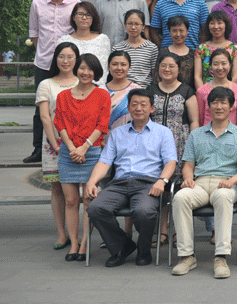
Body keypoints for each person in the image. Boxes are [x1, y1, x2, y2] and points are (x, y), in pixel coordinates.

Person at [85, 88, 177, 267]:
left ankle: (144, 250)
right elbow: (105, 161)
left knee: (144, 212)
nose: (138, 108)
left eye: (143, 104)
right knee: (95, 208)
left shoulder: (163, 132)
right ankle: (122, 246)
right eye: (134, 104)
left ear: (152, 108)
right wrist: (92, 182)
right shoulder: (117, 133)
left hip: (148, 183)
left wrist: (162, 181)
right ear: (128, 108)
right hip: (119, 184)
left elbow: (170, 162)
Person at [171, 87, 237, 279]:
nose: (218, 106)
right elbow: (188, 165)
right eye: (214, 102)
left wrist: (231, 181)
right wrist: (188, 177)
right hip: (199, 183)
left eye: (223, 102)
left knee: (223, 197)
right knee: (180, 198)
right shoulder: (196, 134)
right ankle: (186, 256)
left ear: (232, 107)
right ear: (208, 106)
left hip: (225, 182)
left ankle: (220, 258)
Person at [53, 53, 111, 261]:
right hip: (68, 153)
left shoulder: (102, 95)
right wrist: (72, 148)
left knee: (88, 200)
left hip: (91, 152)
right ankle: (74, 243)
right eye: (82, 68)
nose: (86, 72)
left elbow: (102, 125)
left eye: (90, 69)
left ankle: (85, 243)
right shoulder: (63, 96)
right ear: (76, 69)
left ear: (96, 72)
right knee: (70, 200)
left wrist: (84, 148)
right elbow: (59, 123)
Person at [26, 0, 77, 163]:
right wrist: (44, 53)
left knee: (70, 105)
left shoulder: (75, 5)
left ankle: (70, 144)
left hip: (68, 64)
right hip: (44, 62)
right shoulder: (37, 3)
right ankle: (38, 149)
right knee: (41, 107)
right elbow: (34, 33)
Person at [150, 52, 199, 247]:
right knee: (160, 185)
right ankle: (162, 230)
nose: (167, 69)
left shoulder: (187, 91)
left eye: (172, 66)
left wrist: (192, 146)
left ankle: (180, 231)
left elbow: (194, 120)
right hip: (155, 144)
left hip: (180, 142)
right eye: (163, 65)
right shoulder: (151, 90)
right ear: (158, 69)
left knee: (179, 188)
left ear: (179, 69)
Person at [36, 42, 79, 250]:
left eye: (70, 57)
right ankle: (62, 234)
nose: (65, 61)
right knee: (57, 188)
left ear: (77, 59)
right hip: (53, 144)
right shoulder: (46, 84)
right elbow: (45, 117)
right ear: (55, 59)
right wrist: (55, 144)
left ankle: (79, 235)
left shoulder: (83, 81)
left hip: (80, 145)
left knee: (79, 189)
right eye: (61, 56)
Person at [56, 1, 111, 86]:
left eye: (88, 15)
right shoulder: (63, 40)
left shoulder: (103, 40)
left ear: (93, 18)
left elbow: (104, 67)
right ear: (73, 17)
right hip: (70, 87)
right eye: (80, 14)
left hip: (97, 87)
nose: (84, 18)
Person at [195, 49, 237, 126]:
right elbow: (200, 118)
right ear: (211, 66)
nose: (220, 68)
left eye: (224, 63)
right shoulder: (201, 91)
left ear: (230, 65)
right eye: (215, 64)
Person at [111, 10, 158, 88]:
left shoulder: (152, 48)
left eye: (137, 24)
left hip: (145, 89)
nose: (133, 27)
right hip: (123, 89)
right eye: (130, 23)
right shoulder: (117, 48)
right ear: (124, 25)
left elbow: (154, 74)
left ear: (143, 26)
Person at [196, 11, 237, 87]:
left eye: (219, 23)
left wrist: (227, 92)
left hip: (228, 91)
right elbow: (197, 77)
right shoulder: (201, 48)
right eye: (212, 23)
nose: (216, 26)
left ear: (226, 25)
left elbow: (235, 76)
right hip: (206, 90)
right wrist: (202, 92)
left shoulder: (235, 48)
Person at [105, 51, 142, 142]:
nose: (119, 68)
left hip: (130, 142)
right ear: (109, 66)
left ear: (129, 66)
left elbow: (142, 119)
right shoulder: (101, 90)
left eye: (123, 64)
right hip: (103, 143)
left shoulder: (136, 90)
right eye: (115, 64)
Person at [151, 15, 196, 89]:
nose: (178, 34)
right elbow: (157, 78)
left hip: (189, 93)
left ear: (187, 31)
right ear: (170, 32)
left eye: (181, 31)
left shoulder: (193, 54)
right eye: (174, 31)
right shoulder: (163, 52)